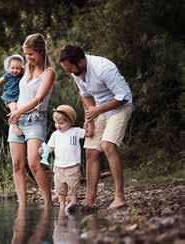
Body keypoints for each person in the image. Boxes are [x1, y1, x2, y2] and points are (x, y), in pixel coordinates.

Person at [58, 45, 133, 209]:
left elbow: (123, 96)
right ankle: (90, 200)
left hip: (120, 107)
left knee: (107, 145)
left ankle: (119, 197)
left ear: (81, 61)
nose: (68, 72)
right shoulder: (76, 72)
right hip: (99, 109)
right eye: (66, 69)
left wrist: (97, 110)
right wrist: (90, 119)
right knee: (91, 151)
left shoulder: (103, 68)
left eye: (70, 68)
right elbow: (86, 95)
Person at [8, 33, 55, 207]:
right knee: (17, 164)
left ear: (41, 52)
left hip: (35, 120)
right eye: (26, 54)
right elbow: (10, 89)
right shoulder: (26, 68)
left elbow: (38, 100)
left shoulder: (49, 73)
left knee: (34, 163)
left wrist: (19, 112)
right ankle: (22, 205)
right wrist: (13, 109)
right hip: (17, 120)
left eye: (31, 54)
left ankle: (48, 203)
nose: (28, 58)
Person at [39, 105, 86, 214]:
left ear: (70, 121)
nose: (58, 126)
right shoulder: (55, 134)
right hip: (58, 166)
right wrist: (43, 150)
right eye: (56, 123)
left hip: (72, 165)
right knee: (60, 188)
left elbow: (87, 133)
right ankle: (62, 205)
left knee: (73, 186)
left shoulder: (76, 131)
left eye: (61, 123)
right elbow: (50, 148)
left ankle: (73, 202)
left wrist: (88, 123)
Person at [0, 54, 25, 136]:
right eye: (12, 68)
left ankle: (19, 123)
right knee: (14, 109)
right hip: (10, 96)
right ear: (8, 68)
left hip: (18, 97)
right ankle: (13, 124)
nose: (15, 70)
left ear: (21, 69)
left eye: (17, 68)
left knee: (19, 109)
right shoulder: (7, 75)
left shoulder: (22, 76)